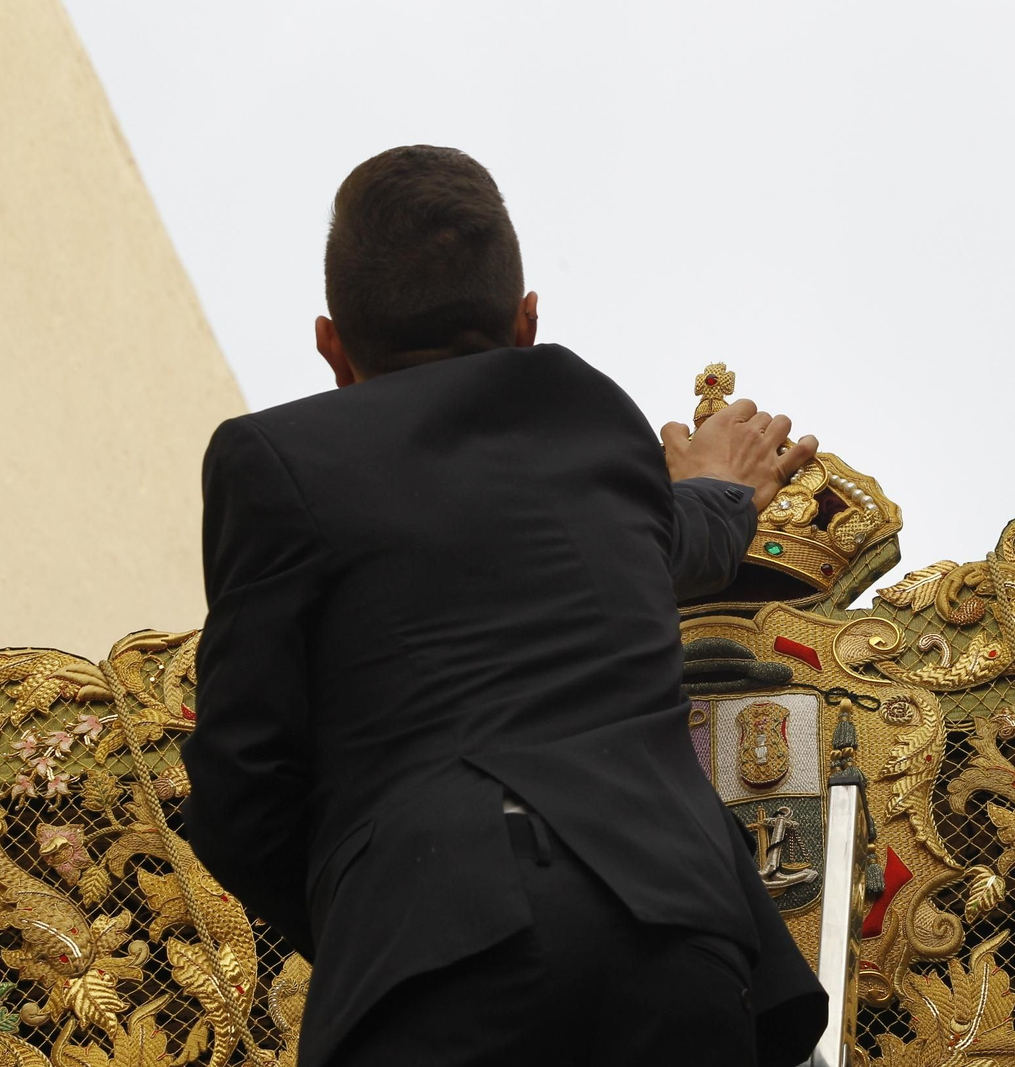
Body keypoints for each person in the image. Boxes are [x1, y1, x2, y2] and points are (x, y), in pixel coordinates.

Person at [180, 145, 827, 1067]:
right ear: (526, 322)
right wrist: (721, 487)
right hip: (675, 942)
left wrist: (382, 909)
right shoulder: (592, 419)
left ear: (332, 345)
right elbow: (674, 543)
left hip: (436, 966)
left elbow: (242, 791)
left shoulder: (273, 464)